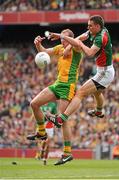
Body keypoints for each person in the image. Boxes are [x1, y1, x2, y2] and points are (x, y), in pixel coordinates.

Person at [27, 29, 86, 165]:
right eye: (61, 38)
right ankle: (41, 131)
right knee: (34, 104)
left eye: (64, 38)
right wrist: (38, 45)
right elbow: (45, 52)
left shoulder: (77, 48)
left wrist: (64, 37)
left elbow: (77, 42)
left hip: (68, 86)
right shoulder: (60, 48)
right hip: (57, 84)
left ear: (70, 38)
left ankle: (67, 152)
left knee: (62, 119)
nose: (61, 40)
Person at [46, 15, 115, 128]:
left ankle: (60, 119)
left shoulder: (100, 38)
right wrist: (69, 46)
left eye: (90, 26)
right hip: (104, 70)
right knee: (97, 92)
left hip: (105, 73)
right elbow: (82, 36)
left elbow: (89, 53)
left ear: (97, 26)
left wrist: (79, 44)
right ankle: (99, 111)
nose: (88, 28)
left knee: (80, 93)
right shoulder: (98, 30)